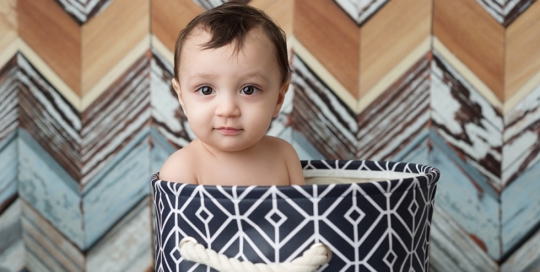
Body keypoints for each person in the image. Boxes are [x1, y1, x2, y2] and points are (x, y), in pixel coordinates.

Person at [159, 2, 305, 186]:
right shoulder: (182, 170)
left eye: (249, 89)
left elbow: (305, 214)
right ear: (182, 98)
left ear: (278, 99)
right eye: (206, 90)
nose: (227, 110)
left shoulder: (284, 156)